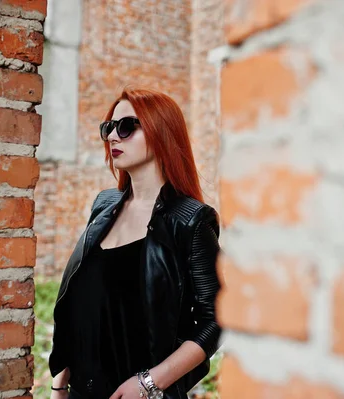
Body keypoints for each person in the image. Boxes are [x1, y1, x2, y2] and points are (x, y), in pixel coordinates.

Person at [48, 87, 222, 399]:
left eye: (127, 126)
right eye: (108, 128)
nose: (113, 137)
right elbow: (81, 305)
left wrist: (148, 383)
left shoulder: (190, 221)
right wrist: (60, 383)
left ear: (161, 132)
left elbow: (216, 320)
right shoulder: (104, 206)